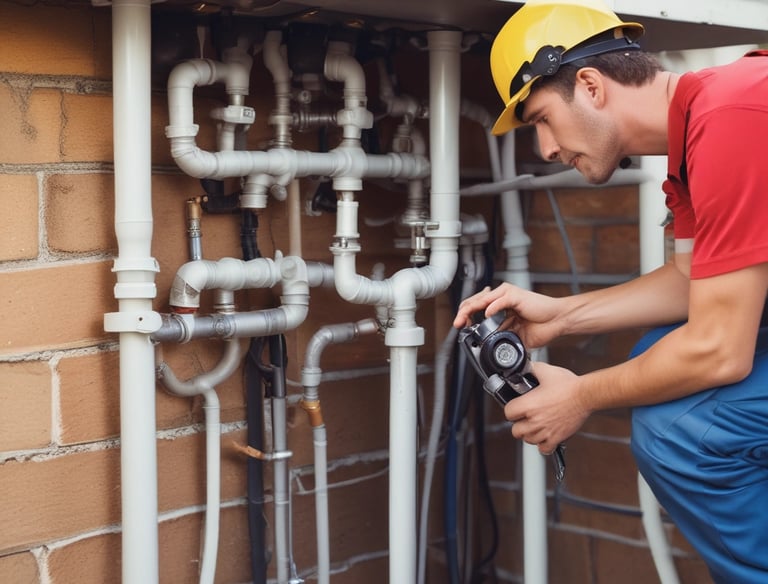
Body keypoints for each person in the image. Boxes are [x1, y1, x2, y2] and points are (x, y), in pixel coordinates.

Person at [452, 1, 768, 582]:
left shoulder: (734, 117)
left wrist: (579, 397)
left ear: (591, 86)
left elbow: (721, 349)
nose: (545, 148)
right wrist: (562, 317)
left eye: (542, 118)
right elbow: (693, 281)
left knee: (684, 425)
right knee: (660, 355)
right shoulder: (704, 126)